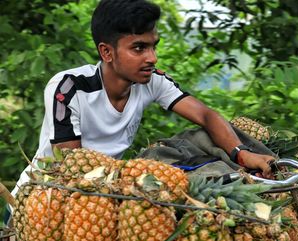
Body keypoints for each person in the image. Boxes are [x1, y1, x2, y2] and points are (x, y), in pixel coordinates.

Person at [12, 0, 274, 197]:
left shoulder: (151, 81)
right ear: (107, 52)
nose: (152, 58)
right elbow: (71, 167)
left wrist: (242, 154)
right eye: (139, 48)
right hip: (46, 197)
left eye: (153, 46)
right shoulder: (69, 88)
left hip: (107, 190)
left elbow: (205, 115)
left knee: (197, 139)